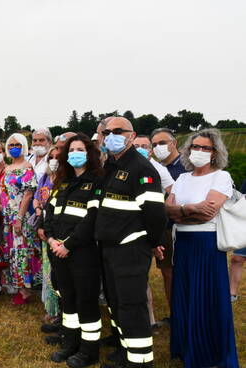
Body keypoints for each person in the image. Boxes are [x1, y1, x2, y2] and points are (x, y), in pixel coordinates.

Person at [94, 117, 167, 368]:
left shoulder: (142, 167)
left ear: (132, 135)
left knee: (132, 306)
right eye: (106, 132)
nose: (111, 135)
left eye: (118, 131)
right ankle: (125, 351)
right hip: (110, 248)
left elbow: (156, 213)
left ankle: (140, 361)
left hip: (131, 248)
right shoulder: (111, 166)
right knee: (117, 303)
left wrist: (152, 242)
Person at [165, 129, 238, 368]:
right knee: (185, 296)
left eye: (205, 148)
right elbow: (168, 210)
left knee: (207, 297)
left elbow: (211, 210)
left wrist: (182, 211)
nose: (199, 151)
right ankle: (188, 348)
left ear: (215, 153)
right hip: (184, 245)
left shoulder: (221, 177)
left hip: (207, 245)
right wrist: (191, 211)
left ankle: (210, 353)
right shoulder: (183, 178)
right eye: (195, 146)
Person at [43, 134, 104, 367]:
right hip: (57, 250)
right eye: (71, 150)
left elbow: (91, 219)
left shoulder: (97, 181)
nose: (75, 154)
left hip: (82, 252)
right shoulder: (63, 181)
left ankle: (89, 351)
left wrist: (68, 244)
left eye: (80, 149)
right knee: (68, 299)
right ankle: (70, 344)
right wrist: (51, 239)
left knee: (85, 301)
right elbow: (49, 213)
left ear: (89, 153)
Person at [133, 134, 175, 328]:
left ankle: (174, 314)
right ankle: (149, 319)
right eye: (137, 145)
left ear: (150, 150)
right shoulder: (126, 167)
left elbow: (173, 190)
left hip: (157, 228)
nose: (141, 148)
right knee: (141, 275)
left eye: (145, 146)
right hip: (134, 228)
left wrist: (160, 210)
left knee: (166, 271)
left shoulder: (159, 169)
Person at [150, 127, 189, 321]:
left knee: (180, 272)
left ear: (173, 143)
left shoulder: (185, 166)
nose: (158, 147)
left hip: (182, 225)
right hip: (164, 226)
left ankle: (184, 312)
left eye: (162, 143)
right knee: (167, 272)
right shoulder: (157, 167)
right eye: (155, 144)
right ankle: (175, 313)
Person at [0, 133, 40, 304]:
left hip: (20, 217)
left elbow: (28, 194)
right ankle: (17, 285)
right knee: (12, 252)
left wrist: (19, 218)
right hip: (7, 217)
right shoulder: (7, 168)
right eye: (10, 145)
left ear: (23, 146)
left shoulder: (27, 167)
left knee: (22, 252)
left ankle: (25, 290)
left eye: (17, 144)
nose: (13, 148)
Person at [34, 147, 61, 328]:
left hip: (58, 230)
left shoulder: (65, 180)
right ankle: (51, 308)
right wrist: (38, 211)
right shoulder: (45, 177)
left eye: (57, 157)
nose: (53, 160)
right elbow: (37, 197)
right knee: (47, 269)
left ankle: (59, 311)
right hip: (43, 225)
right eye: (50, 157)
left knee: (58, 271)